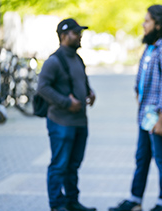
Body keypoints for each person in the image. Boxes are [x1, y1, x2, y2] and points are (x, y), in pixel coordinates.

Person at [109, 4, 162, 211]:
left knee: (161, 159)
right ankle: (135, 200)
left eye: (147, 20)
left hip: (158, 114)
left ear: (158, 25)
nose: (143, 24)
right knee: (142, 158)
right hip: (145, 114)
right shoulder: (150, 47)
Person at [37, 18, 96, 211]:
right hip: (61, 122)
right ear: (64, 36)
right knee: (59, 165)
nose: (80, 36)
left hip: (80, 122)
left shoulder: (77, 58)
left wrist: (89, 92)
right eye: (76, 33)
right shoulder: (54, 61)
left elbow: (81, 81)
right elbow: (42, 88)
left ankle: (72, 201)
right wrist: (66, 102)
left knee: (73, 166)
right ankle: (57, 204)